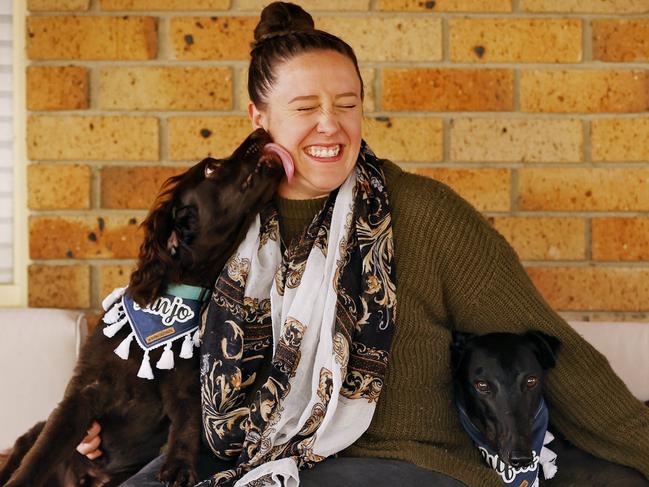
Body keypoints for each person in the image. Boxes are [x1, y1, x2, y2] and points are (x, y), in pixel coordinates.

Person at [78, 2, 649, 486]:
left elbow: (563, 361)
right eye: (305, 109)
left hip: (406, 462)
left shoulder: (426, 215)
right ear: (259, 117)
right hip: (246, 457)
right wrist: (96, 423)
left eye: (347, 104)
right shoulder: (217, 223)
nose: (331, 125)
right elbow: (151, 339)